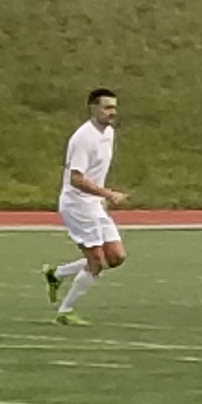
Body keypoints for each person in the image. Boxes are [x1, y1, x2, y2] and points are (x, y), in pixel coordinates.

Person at [43, 88, 127, 322]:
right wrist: (108, 194)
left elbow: (96, 172)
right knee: (97, 262)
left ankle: (57, 274)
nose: (112, 112)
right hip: (77, 204)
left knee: (116, 257)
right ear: (93, 109)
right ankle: (65, 311)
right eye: (107, 108)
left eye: (114, 108)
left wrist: (101, 198)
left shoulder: (109, 133)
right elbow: (76, 179)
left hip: (94, 202)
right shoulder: (83, 138)